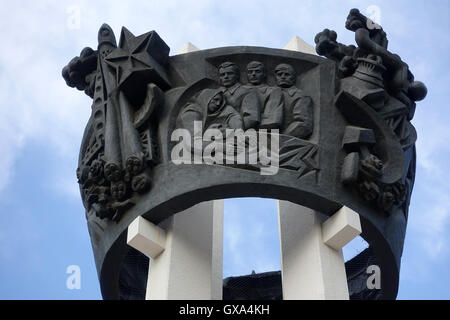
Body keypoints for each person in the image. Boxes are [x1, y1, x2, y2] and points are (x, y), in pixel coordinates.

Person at [274, 63, 313, 139]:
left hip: (285, 139)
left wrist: (282, 137)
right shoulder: (270, 93)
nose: (283, 77)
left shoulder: (300, 96)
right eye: (279, 74)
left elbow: (303, 124)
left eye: (287, 74)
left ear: (294, 78)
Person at [218, 61, 260, 129]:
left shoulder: (247, 91)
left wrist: (230, 129)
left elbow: (251, 119)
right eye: (222, 75)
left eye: (229, 73)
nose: (226, 77)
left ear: (237, 75)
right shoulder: (216, 93)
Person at [245, 61, 284, 129]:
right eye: (250, 72)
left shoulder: (274, 91)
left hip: (264, 134)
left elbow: (272, 119)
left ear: (264, 74)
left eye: (257, 71)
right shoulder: (240, 90)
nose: (253, 74)